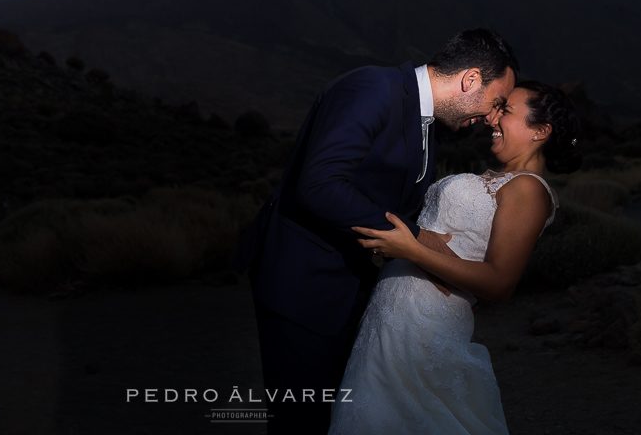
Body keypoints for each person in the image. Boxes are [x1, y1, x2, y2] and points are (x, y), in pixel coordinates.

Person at [234, 29, 519, 434]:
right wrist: (418, 238)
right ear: (471, 79)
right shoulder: (372, 87)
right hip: (304, 285)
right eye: (495, 102)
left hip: (352, 290)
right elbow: (319, 185)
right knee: (301, 421)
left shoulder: (427, 124)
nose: (491, 117)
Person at [328, 80, 582, 435]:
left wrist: (411, 251)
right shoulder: (499, 179)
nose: (493, 118)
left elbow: (500, 283)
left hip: (426, 325)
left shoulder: (528, 189)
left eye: (506, 111)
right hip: (393, 314)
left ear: (540, 131)